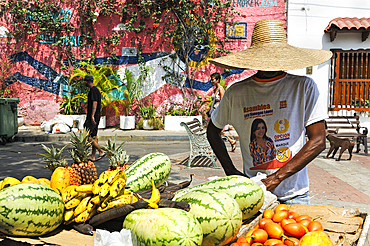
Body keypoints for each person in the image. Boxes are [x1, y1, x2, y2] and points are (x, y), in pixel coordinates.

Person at [207, 19, 332, 205]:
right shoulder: (236, 92)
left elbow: (318, 140)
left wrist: (276, 178)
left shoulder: (303, 87)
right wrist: (231, 172)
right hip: (253, 196)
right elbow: (212, 131)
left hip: (294, 195)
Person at [209, 72, 237, 152]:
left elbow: (222, 102)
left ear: (217, 80)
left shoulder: (221, 89)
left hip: (218, 113)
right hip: (214, 112)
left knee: (217, 131)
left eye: (213, 79)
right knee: (216, 131)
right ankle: (230, 141)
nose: (211, 81)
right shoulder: (215, 89)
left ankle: (231, 141)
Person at [84, 74, 106, 161]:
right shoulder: (96, 90)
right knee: (94, 135)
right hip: (97, 115)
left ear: (86, 81)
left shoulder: (93, 90)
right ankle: (93, 156)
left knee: (87, 135)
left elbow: (95, 102)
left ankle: (101, 150)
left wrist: (92, 115)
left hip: (92, 116)